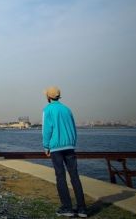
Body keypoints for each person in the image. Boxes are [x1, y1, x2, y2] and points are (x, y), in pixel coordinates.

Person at [42, 86, 88, 218]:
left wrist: (46, 146)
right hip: (69, 146)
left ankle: (67, 207)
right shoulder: (67, 109)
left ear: (48, 97)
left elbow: (47, 129)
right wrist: (72, 143)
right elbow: (73, 127)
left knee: (60, 176)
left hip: (56, 148)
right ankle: (82, 209)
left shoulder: (47, 109)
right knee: (75, 176)